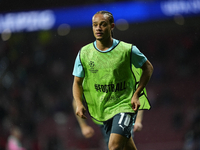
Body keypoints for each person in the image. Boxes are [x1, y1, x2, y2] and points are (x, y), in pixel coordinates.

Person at [72, 10, 153, 150]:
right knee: (127, 146)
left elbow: (148, 68)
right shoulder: (84, 53)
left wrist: (136, 94)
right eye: (95, 25)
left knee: (114, 146)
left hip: (124, 105)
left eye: (103, 25)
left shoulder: (127, 50)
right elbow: (77, 83)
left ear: (112, 26)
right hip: (104, 109)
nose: (98, 28)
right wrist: (79, 103)